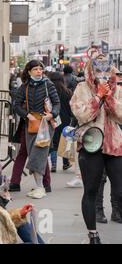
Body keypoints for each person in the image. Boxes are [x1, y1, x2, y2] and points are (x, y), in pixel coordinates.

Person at [70, 47, 122, 244]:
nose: (102, 74)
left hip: (115, 145)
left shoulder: (118, 89)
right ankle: (93, 234)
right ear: (91, 70)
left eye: (106, 70)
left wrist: (109, 98)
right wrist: (98, 97)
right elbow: (81, 115)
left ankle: (116, 211)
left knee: (119, 189)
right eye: (98, 70)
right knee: (91, 190)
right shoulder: (81, 88)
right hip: (91, 144)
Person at [13, 60, 60, 199]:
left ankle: (40, 187)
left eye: (40, 69)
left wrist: (52, 114)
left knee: (38, 155)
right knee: (35, 155)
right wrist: (27, 115)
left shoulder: (48, 84)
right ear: (29, 71)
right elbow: (17, 105)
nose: (39, 71)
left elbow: (57, 103)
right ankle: (40, 186)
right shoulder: (25, 87)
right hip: (31, 126)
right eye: (35, 69)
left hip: (45, 125)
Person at [48, 72, 74, 172]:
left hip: (52, 119)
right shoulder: (67, 92)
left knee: (54, 142)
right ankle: (65, 163)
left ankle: (53, 164)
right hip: (65, 119)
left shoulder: (49, 92)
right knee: (65, 140)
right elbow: (71, 108)